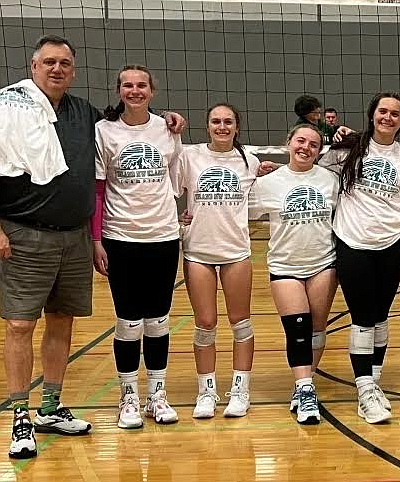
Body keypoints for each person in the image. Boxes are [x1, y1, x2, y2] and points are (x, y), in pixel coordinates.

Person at [1, 35, 184, 459]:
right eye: (49, 62)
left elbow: (129, 121)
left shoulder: (85, 114)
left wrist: (170, 118)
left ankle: (50, 407)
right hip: (26, 233)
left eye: (64, 63)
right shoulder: (9, 108)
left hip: (74, 237)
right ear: (33, 66)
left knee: (62, 321)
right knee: (19, 326)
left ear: (75, 70)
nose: (56, 69)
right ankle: (20, 418)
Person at [93, 65, 183, 429]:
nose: (135, 90)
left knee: (159, 320)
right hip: (120, 238)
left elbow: (178, 178)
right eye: (128, 85)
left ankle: (157, 396)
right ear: (119, 91)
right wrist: (96, 239)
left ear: (152, 90)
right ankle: (128, 396)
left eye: (141, 85)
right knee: (128, 321)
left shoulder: (167, 128)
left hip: (162, 236)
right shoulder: (104, 131)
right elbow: (98, 190)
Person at [321, 93, 400, 423]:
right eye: (382, 111)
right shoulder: (348, 148)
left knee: (380, 316)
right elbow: (313, 177)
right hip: (353, 243)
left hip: (391, 244)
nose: (387, 117)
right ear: (371, 114)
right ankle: (364, 390)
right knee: (362, 317)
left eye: (394, 113)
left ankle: (373, 383)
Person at [250, 124, 339, 425]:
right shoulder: (268, 183)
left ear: (319, 150)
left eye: (313, 144)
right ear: (288, 143)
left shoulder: (331, 181)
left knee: (316, 328)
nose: (306, 147)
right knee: (297, 327)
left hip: (323, 263)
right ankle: (305, 389)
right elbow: (239, 212)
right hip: (285, 266)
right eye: (300, 141)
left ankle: (305, 383)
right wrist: (192, 216)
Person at [177, 103, 259, 419]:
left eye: (228, 122)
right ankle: (206, 391)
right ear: (208, 126)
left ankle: (240, 390)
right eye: (216, 121)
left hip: (235, 251)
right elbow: (165, 188)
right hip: (198, 251)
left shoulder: (248, 162)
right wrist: (178, 217)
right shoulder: (189, 156)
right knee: (206, 323)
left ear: (236, 127)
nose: (222, 126)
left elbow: (257, 202)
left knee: (240, 321)